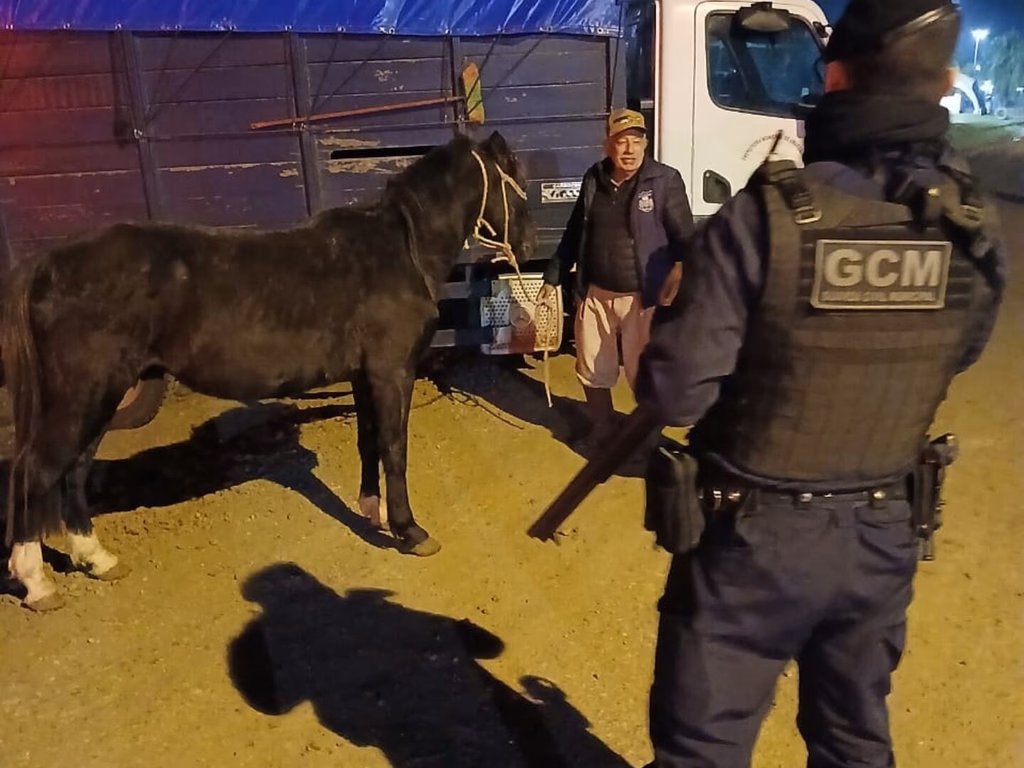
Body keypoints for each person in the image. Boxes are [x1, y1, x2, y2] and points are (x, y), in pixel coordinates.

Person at [633, 1, 1007, 766]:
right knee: (851, 743)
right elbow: (960, 354)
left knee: (703, 748)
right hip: (885, 533)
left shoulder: (768, 217)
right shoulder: (970, 226)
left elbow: (676, 395)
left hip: (752, 537)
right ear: (945, 83)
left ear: (833, 76)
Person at [539, 109, 694, 443]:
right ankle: (603, 430)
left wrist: (680, 274)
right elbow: (574, 232)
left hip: (644, 297)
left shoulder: (664, 181)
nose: (630, 150)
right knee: (592, 367)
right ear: (607, 145)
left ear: (646, 143)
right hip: (596, 292)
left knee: (645, 375)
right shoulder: (593, 179)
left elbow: (686, 240)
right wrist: (553, 275)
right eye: (621, 142)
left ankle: (647, 440)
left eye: (636, 142)